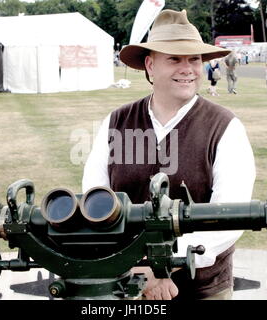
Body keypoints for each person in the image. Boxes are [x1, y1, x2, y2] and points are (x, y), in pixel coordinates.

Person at [82, 9, 256, 300]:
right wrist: (137, 269)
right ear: (150, 65)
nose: (187, 68)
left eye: (194, 59)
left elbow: (228, 216)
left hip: (202, 288)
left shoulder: (225, 127)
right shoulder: (116, 122)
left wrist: (161, 267)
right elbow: (95, 201)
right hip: (125, 284)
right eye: (174, 59)